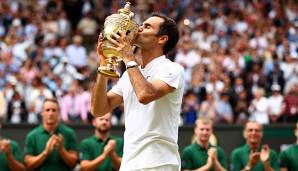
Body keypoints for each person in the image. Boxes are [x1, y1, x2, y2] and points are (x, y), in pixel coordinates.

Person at [91, 13, 184, 171]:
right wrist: (104, 64)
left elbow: (145, 95)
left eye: (147, 27)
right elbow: (99, 109)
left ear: (162, 39)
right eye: (142, 24)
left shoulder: (173, 69)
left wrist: (128, 57)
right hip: (129, 162)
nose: (139, 28)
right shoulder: (130, 74)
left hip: (158, 162)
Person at [24, 98, 78, 171]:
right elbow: (28, 165)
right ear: (42, 112)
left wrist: (61, 149)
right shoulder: (32, 136)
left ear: (59, 113)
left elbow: (74, 164)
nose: (50, 113)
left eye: (54, 110)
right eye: (47, 110)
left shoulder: (69, 133)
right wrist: (45, 152)